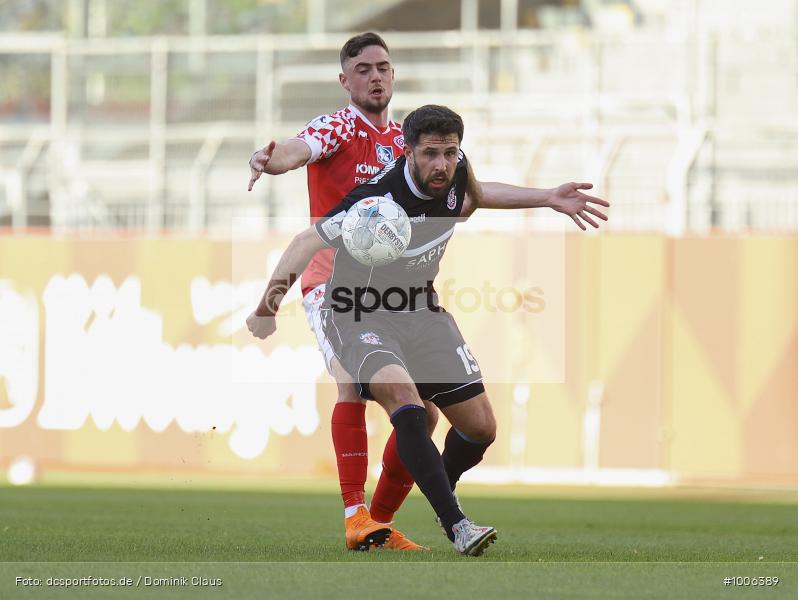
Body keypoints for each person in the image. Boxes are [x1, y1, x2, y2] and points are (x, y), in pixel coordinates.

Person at [246, 33, 608, 552]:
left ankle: (385, 523)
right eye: (364, 68)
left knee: (433, 415)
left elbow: (473, 195)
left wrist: (547, 197)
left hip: (406, 294)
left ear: (394, 76)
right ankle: (357, 515)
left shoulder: (412, 141)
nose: (376, 76)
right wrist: (272, 159)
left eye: (384, 68)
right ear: (345, 79)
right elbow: (300, 151)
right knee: (354, 380)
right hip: (334, 280)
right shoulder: (336, 127)